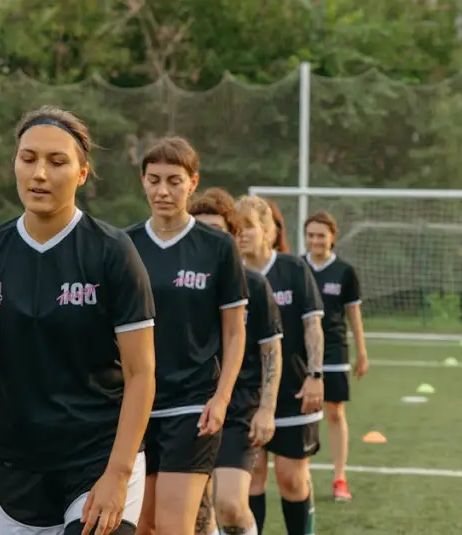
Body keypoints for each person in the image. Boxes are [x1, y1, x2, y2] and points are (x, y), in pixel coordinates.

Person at [0, 106, 157, 535]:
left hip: (98, 460)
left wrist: (118, 474)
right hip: (17, 470)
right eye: (28, 158)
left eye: (57, 161)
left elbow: (141, 373)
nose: (40, 174)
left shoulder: (112, 253)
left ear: (82, 173)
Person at [126, 138, 249, 535]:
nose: (163, 191)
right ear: (143, 181)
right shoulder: (123, 245)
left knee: (174, 527)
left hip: (191, 406)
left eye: (174, 181)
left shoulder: (217, 247)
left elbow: (234, 332)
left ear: (192, 183)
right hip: (133, 405)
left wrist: (222, 397)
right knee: (142, 525)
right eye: (155, 180)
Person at [189, 188, 284, 535]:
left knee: (229, 505)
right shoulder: (176, 284)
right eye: (201, 230)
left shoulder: (254, 286)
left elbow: (270, 351)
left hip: (238, 407)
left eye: (217, 230)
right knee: (200, 517)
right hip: (187, 404)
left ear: (231, 236)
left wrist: (267, 409)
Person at [235, 195, 324, 535]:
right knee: (252, 480)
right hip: (246, 396)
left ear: (268, 231)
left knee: (292, 479)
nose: (241, 234)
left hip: (293, 391)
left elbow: (312, 325)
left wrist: (316, 375)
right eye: (236, 228)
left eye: (249, 227)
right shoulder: (232, 275)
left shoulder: (293, 269)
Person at [302, 211, 369, 503]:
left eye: (321, 235)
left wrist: (362, 351)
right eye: (311, 235)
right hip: (300, 355)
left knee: (334, 412)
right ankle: (300, 475)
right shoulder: (295, 267)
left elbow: (353, 314)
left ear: (332, 237)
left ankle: (339, 477)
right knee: (302, 414)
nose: (316, 240)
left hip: (334, 351)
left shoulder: (344, 271)